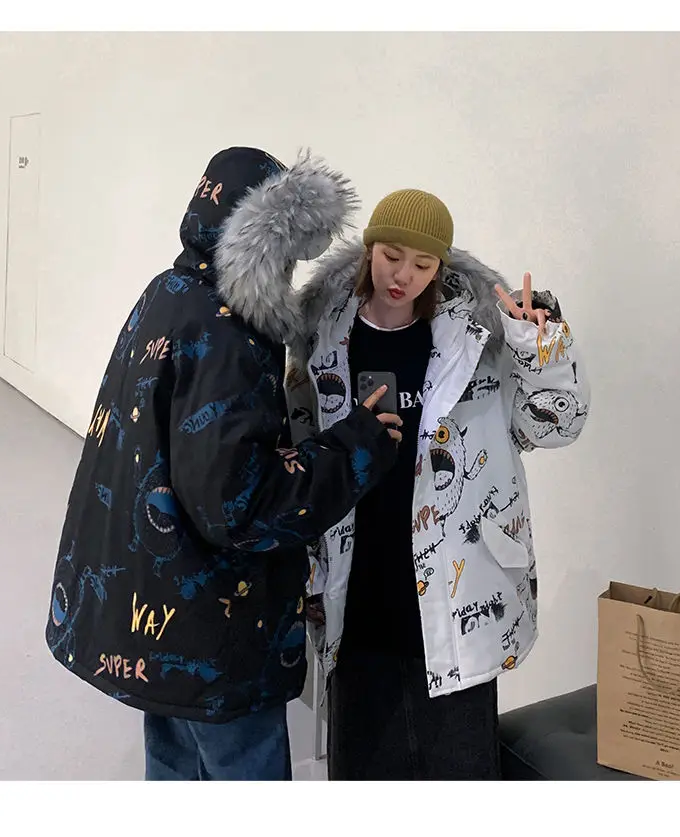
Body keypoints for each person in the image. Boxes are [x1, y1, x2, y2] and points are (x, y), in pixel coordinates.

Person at [44, 147, 402, 782]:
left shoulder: (168, 293)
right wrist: (357, 445)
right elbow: (241, 505)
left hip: (156, 614)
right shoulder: (228, 335)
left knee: (175, 764)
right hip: (215, 631)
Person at [286, 188, 590, 780]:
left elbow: (553, 427)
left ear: (440, 268)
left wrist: (541, 349)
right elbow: (300, 445)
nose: (403, 275)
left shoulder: (480, 339)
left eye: (423, 264)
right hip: (357, 579)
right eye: (391, 256)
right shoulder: (321, 334)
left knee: (460, 771)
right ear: (369, 249)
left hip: (458, 584)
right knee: (364, 772)